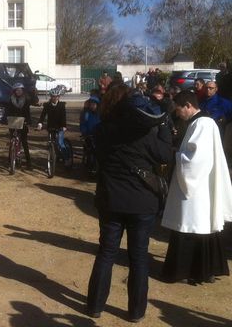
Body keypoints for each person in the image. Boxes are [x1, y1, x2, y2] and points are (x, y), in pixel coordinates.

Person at [86, 84, 173, 323]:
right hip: (141, 201)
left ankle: (94, 306)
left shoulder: (102, 130)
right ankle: (135, 311)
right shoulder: (144, 133)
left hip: (110, 198)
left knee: (106, 252)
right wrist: (163, 124)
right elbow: (166, 155)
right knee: (139, 256)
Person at [161, 90, 232, 284]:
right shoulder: (200, 123)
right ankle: (203, 269)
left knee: (190, 224)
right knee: (199, 226)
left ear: (188, 106)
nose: (177, 113)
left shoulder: (202, 124)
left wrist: (175, 155)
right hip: (199, 185)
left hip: (196, 187)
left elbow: (196, 160)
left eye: (178, 109)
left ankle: (186, 271)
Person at [5, 83, 33, 168]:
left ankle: (29, 162)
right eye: (17, 90)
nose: (18, 91)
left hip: (23, 121)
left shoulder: (26, 99)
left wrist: (28, 121)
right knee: (12, 140)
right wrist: (5, 118)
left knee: (24, 142)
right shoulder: (11, 99)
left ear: (23, 91)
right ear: (14, 91)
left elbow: (27, 112)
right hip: (13, 121)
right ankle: (10, 160)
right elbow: (8, 110)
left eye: (20, 90)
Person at [36, 88, 68, 158]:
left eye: (56, 96)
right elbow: (43, 115)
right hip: (51, 126)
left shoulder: (62, 105)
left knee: (60, 142)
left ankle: (67, 159)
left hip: (60, 126)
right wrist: (40, 124)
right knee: (50, 143)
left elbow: (63, 116)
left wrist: (64, 126)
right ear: (51, 96)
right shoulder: (47, 105)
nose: (55, 98)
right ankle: (52, 158)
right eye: (53, 96)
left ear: (59, 97)